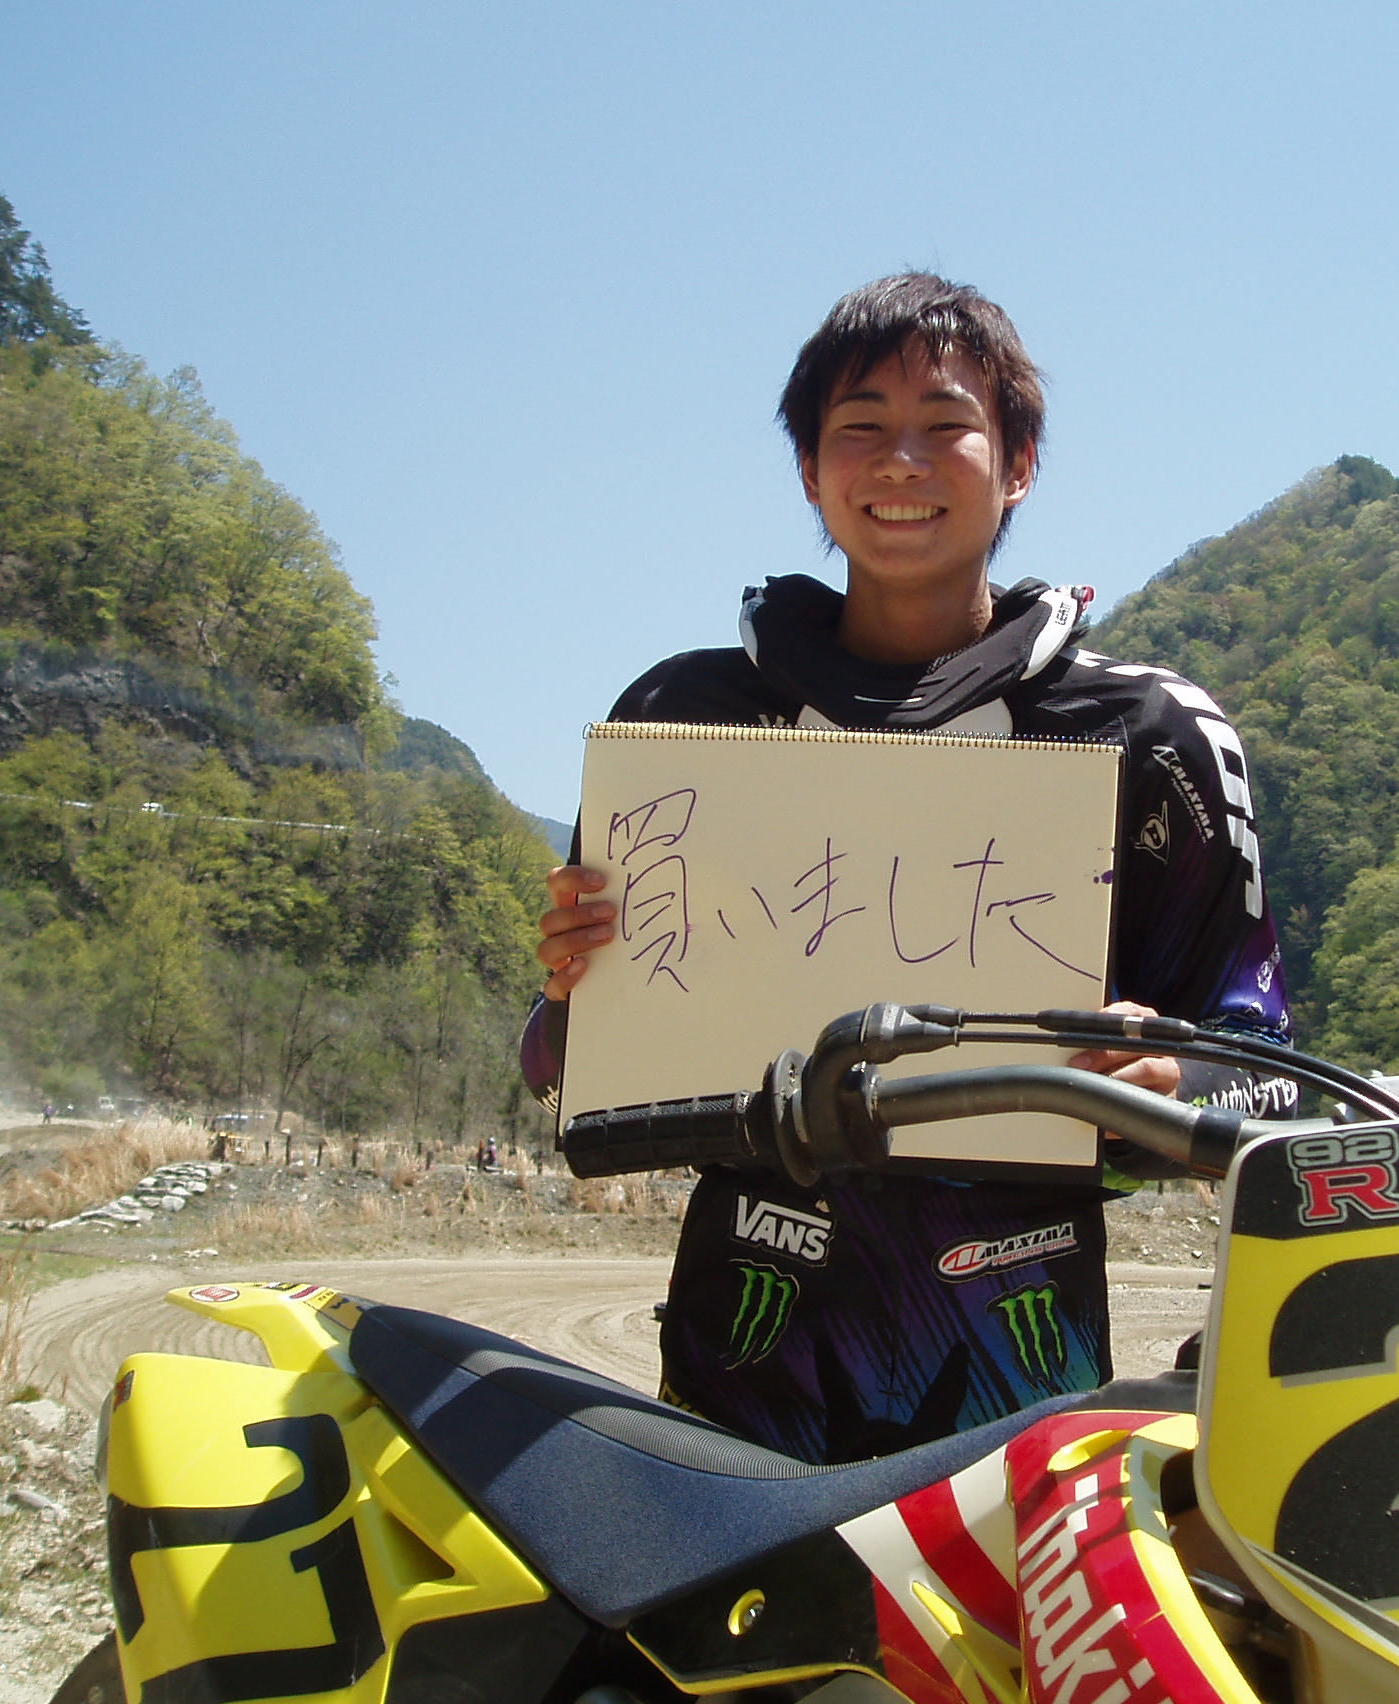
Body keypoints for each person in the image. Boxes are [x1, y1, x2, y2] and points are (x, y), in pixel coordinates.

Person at [526, 274, 1294, 1464]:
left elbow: (1269, 1077)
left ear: (1019, 462)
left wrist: (1169, 1075)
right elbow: (556, 1065)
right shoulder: (681, 720)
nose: (900, 461)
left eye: (946, 424)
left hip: (1016, 1378)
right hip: (744, 1371)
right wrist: (574, 990)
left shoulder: (1151, 736)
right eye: (861, 427)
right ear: (807, 468)